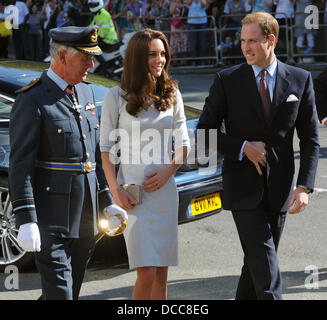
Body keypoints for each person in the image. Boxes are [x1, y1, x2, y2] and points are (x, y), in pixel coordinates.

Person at [197, 11, 319, 299]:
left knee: (255, 266)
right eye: (242, 40)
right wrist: (242, 148)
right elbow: (204, 133)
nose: (245, 47)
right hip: (242, 189)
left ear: (271, 40)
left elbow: (311, 139)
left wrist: (304, 187)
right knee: (266, 269)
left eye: (252, 41)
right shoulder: (227, 80)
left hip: (279, 190)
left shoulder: (300, 80)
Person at [9, 25, 127, 300]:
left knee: (67, 292)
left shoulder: (84, 92)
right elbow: (20, 167)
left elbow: (93, 154)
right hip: (50, 221)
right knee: (61, 294)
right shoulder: (33, 99)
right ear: (62, 57)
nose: (92, 63)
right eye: (85, 57)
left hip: (85, 219)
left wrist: (107, 199)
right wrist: (26, 218)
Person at [100, 28, 191, 300]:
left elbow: (184, 145)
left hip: (164, 193)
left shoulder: (172, 93)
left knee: (161, 274)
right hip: (133, 195)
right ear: (138, 57)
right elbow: (105, 151)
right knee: (147, 272)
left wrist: (169, 170)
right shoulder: (115, 97)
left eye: (163, 54)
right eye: (152, 54)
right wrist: (116, 192)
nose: (160, 60)